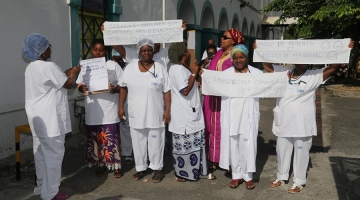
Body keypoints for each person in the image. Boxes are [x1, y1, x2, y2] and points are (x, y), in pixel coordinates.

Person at [253, 39, 354, 193]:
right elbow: (267, 66)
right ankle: (281, 176)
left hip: (302, 122)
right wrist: (260, 50)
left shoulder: (314, 75)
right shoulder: (283, 71)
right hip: (284, 120)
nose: (305, 61)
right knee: (282, 150)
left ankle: (299, 181)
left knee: (301, 151)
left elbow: (333, 67)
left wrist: (346, 50)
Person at [22, 33, 81, 200]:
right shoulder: (48, 67)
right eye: (48, 47)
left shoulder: (31, 67)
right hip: (50, 120)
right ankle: (51, 193)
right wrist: (74, 72)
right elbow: (68, 84)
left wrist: (66, 72)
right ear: (40, 51)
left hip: (37, 118)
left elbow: (53, 80)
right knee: (54, 156)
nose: (50, 49)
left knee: (40, 154)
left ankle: (41, 187)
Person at [118, 38, 171, 183]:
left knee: (156, 143)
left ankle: (157, 169)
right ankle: (141, 168)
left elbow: (167, 90)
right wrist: (120, 106)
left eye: (149, 50)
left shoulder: (160, 68)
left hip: (155, 114)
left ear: (153, 52)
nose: (146, 53)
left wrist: (167, 110)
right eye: (144, 50)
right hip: (136, 114)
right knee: (138, 142)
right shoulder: (129, 68)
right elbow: (123, 87)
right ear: (139, 52)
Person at [167, 42, 216, 182]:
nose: (189, 53)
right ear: (182, 55)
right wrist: (194, 72)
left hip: (191, 113)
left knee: (195, 145)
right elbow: (185, 90)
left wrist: (197, 73)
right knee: (185, 147)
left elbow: (192, 84)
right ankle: (183, 173)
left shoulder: (182, 68)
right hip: (184, 116)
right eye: (187, 51)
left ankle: (197, 171)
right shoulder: (177, 69)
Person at [77, 39, 123, 178]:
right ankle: (101, 164)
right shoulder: (86, 66)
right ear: (92, 50)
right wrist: (82, 88)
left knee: (111, 138)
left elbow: (123, 85)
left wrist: (114, 89)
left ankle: (116, 166)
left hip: (109, 109)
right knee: (97, 140)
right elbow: (79, 85)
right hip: (94, 111)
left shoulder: (113, 65)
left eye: (101, 50)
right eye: (95, 50)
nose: (98, 53)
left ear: (106, 51)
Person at [217, 44, 261, 189]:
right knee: (233, 145)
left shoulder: (256, 74)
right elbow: (212, 84)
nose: (238, 60)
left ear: (247, 57)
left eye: (241, 57)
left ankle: (248, 176)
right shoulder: (226, 75)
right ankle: (236, 175)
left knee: (248, 146)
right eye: (235, 58)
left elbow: (271, 85)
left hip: (248, 116)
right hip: (232, 116)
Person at [203, 28, 245, 170]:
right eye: (222, 36)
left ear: (234, 40)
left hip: (225, 98)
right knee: (211, 127)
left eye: (225, 37)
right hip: (212, 97)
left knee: (222, 128)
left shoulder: (236, 56)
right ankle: (214, 157)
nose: (222, 39)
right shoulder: (220, 52)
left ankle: (220, 159)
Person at [109, 20, 187, 69]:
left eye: (158, 40)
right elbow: (119, 48)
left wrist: (180, 31)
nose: (157, 44)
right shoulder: (134, 54)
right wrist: (107, 33)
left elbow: (177, 47)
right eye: (154, 41)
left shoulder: (164, 53)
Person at [112, 48, 133, 164]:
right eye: (114, 59)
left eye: (119, 59)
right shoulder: (110, 69)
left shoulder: (129, 68)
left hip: (133, 101)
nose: (116, 61)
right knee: (124, 128)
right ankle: (127, 153)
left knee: (135, 128)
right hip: (121, 103)